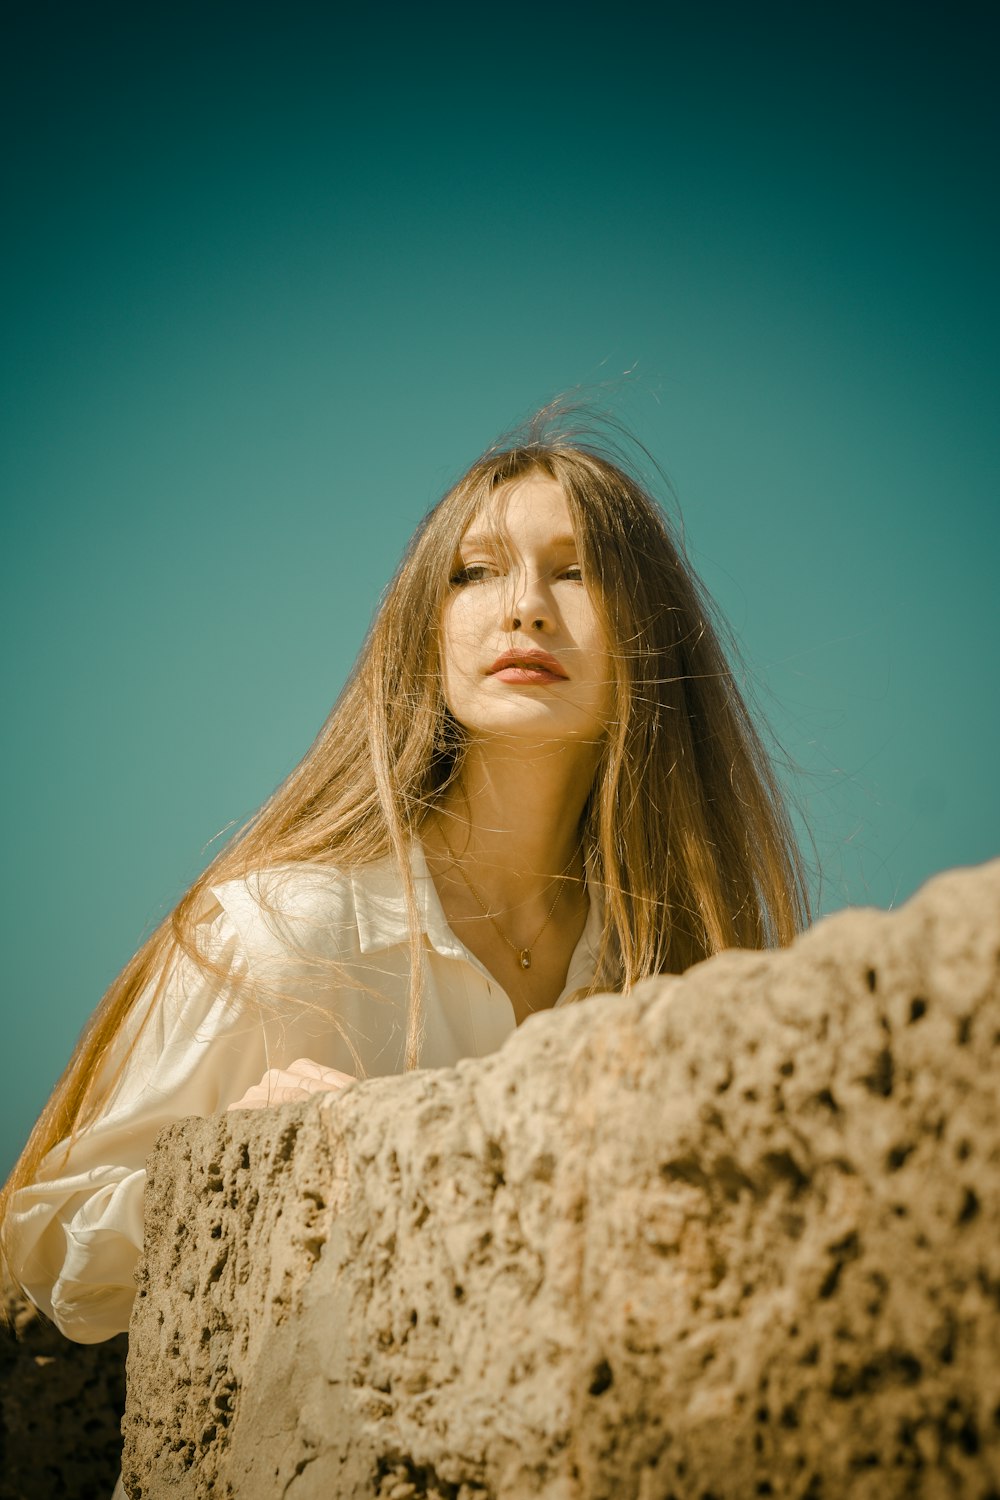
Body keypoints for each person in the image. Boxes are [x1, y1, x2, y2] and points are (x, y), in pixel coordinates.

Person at [1, 410, 809, 1356]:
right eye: (474, 571)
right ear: (423, 630)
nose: (525, 608)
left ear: (656, 633)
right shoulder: (283, 932)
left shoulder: (681, 973)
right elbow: (50, 1248)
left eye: (577, 570)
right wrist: (234, 1162)